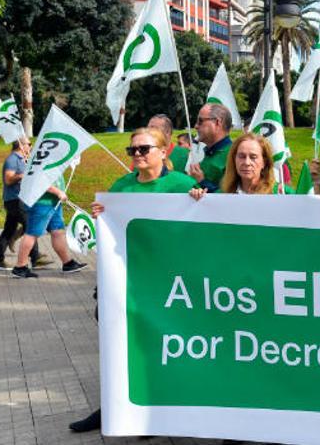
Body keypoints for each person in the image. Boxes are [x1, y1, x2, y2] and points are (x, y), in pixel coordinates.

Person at [72, 128, 198, 434]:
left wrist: (200, 199)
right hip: (126, 280)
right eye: (133, 151)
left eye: (144, 149)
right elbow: (111, 225)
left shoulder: (182, 185)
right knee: (120, 342)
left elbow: (202, 228)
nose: (137, 155)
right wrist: (101, 214)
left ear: (164, 151)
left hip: (166, 282)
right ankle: (114, 405)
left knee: (161, 343)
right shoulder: (122, 186)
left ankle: (157, 409)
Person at [0, 137, 51, 270]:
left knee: (9, 230)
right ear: (20, 145)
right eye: (29, 144)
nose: (30, 146)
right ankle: (35, 258)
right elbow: (8, 179)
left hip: (18, 199)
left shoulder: (22, 159)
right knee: (30, 225)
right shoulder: (12, 159)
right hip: (15, 200)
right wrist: (23, 175)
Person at [11, 175, 87, 279]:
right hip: (41, 203)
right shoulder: (43, 160)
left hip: (54, 202)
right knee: (32, 234)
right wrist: (58, 192)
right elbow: (39, 180)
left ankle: (68, 263)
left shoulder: (52, 159)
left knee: (58, 232)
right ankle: (20, 267)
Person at [190, 133, 293, 199]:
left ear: (264, 162)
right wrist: (199, 199)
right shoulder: (222, 194)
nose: (247, 162)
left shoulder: (282, 193)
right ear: (234, 160)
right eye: (241, 156)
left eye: (253, 157)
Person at [187, 103, 233, 192]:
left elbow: (231, 196)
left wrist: (202, 181)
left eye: (200, 121)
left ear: (217, 123)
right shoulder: (210, 152)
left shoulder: (234, 154)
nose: (196, 126)